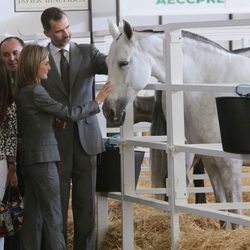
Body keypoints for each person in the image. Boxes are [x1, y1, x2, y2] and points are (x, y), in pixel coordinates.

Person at [16, 44, 111, 250]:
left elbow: (36, 120)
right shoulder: (37, 91)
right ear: (34, 66)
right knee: (54, 217)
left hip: (31, 161)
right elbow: (69, 114)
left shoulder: (24, 91)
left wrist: (52, 119)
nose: (48, 68)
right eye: (45, 63)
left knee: (33, 218)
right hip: (45, 159)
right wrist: (97, 101)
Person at [40, 7, 109, 250]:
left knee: (85, 206)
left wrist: (128, 43)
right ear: (47, 32)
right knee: (56, 205)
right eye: (59, 31)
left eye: (68, 27)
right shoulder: (39, 59)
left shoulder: (89, 52)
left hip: (86, 140)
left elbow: (114, 65)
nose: (66, 34)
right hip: (54, 142)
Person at [0, 37, 25, 250]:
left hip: (33, 153)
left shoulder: (37, 78)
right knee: (8, 207)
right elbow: (5, 128)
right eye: (6, 54)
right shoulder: (1, 85)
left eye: (15, 52)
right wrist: (11, 163)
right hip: (7, 156)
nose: (11, 58)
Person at [0, 60, 18, 250]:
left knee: (1, 208)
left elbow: (10, 136)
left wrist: (12, 166)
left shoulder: (8, 105)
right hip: (3, 162)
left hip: (1, 163)